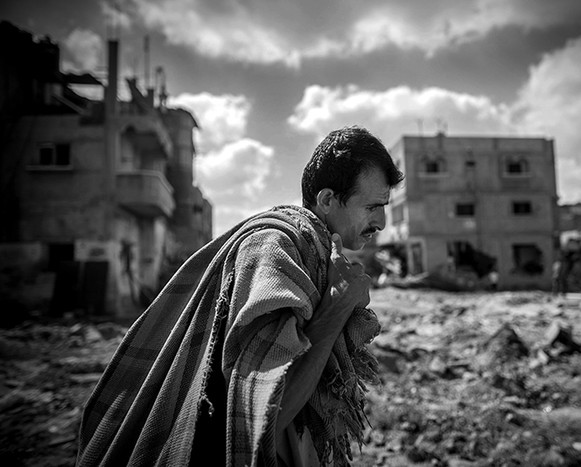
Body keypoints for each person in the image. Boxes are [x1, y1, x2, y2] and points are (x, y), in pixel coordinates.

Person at [76, 126, 404, 466]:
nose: (381, 221)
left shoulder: (316, 253)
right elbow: (266, 418)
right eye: (372, 207)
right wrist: (338, 306)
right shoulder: (273, 250)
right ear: (327, 200)